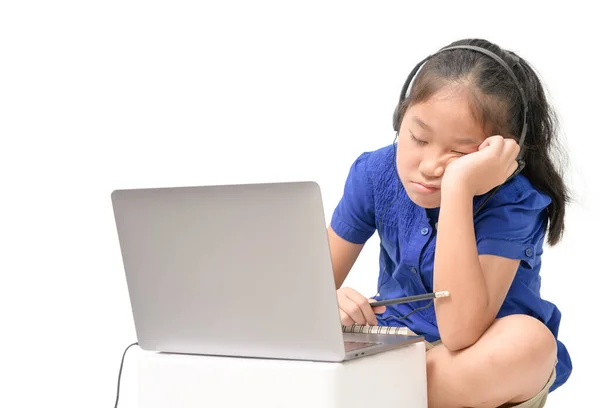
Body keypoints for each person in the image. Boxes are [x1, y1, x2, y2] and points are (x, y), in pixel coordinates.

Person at [329, 38, 572, 408]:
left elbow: (461, 333)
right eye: (418, 137)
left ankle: (367, 392)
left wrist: (459, 188)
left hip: (475, 360)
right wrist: (331, 302)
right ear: (400, 118)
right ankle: (380, 390)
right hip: (398, 347)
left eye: (460, 153)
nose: (430, 166)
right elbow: (302, 296)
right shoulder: (375, 171)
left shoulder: (513, 201)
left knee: (533, 343)